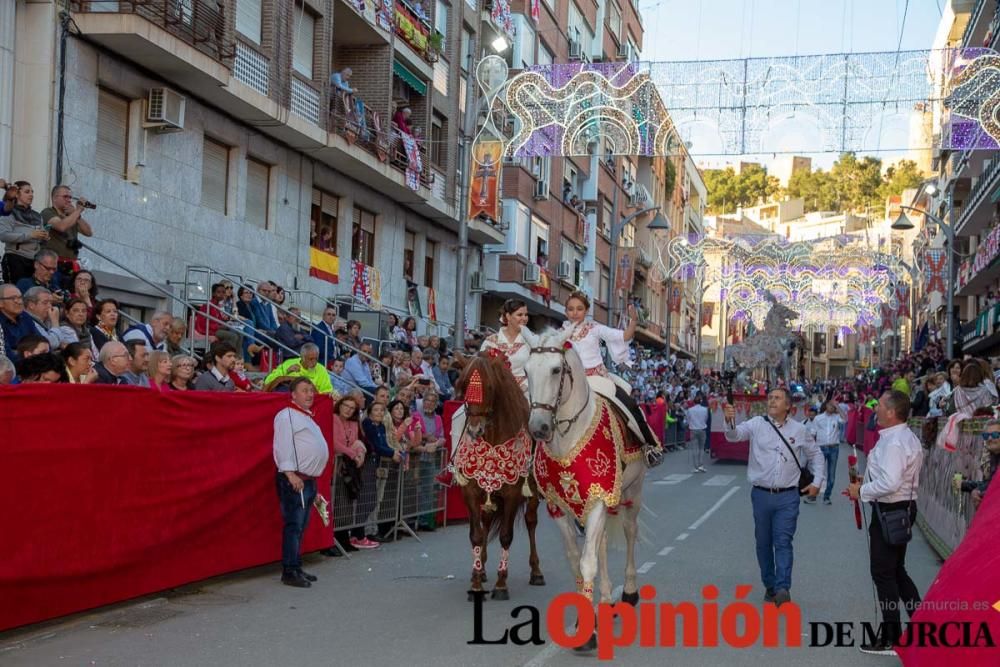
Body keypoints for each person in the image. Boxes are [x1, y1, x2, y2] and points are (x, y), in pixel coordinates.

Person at [723, 387, 824, 607]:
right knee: (763, 543)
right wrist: (729, 421)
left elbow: (816, 455)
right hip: (760, 495)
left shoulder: (799, 430)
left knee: (783, 541)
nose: (771, 401)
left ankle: (782, 587)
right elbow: (734, 436)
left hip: (787, 497)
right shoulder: (756, 424)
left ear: (788, 406)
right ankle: (770, 584)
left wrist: (817, 483)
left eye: (777, 398)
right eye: (770, 398)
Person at [848, 390, 924, 655]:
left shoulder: (894, 442)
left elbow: (891, 483)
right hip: (898, 508)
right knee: (896, 570)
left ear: (892, 412)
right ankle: (921, 622)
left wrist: (863, 491)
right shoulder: (902, 437)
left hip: (891, 509)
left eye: (879, 405)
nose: (875, 408)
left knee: (884, 573)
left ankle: (892, 636)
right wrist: (864, 484)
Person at [561, 290, 662, 465]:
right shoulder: (559, 333)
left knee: (629, 405)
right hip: (570, 382)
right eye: (570, 309)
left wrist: (633, 321)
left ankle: (648, 445)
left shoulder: (595, 329)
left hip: (597, 379)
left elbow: (624, 336)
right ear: (566, 311)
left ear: (586, 311)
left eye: (579, 309)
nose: (575, 313)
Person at [437, 299, 531, 486]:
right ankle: (454, 465)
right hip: (494, 394)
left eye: (526, 315)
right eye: (519, 315)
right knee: (457, 417)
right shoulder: (491, 341)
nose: (524, 319)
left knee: (538, 419)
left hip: (523, 390)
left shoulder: (531, 340)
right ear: (507, 317)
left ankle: (536, 467)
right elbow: (480, 368)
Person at [272, 378, 330, 588]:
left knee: (301, 526)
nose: (310, 394)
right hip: (295, 479)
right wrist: (290, 473)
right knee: (294, 525)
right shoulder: (286, 415)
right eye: (304, 391)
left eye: (311, 391)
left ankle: (296, 566)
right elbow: (282, 445)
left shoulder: (305, 416)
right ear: (293, 394)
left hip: (307, 479)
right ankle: (289, 570)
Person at [810, 399, 846, 505]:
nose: (832, 407)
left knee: (832, 475)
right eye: (830, 405)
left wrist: (838, 407)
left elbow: (845, 419)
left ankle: (827, 496)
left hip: (834, 448)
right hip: (821, 448)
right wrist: (812, 449)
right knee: (818, 473)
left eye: (834, 405)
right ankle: (813, 495)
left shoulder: (837, 417)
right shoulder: (818, 418)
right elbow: (813, 433)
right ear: (826, 406)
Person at [685, 396, 710, 473]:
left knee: (694, 448)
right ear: (700, 401)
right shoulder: (705, 409)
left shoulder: (690, 410)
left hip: (693, 430)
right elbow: (706, 418)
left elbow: (688, 419)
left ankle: (695, 467)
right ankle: (701, 465)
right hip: (702, 429)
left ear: (694, 402)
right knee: (701, 448)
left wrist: (691, 425)